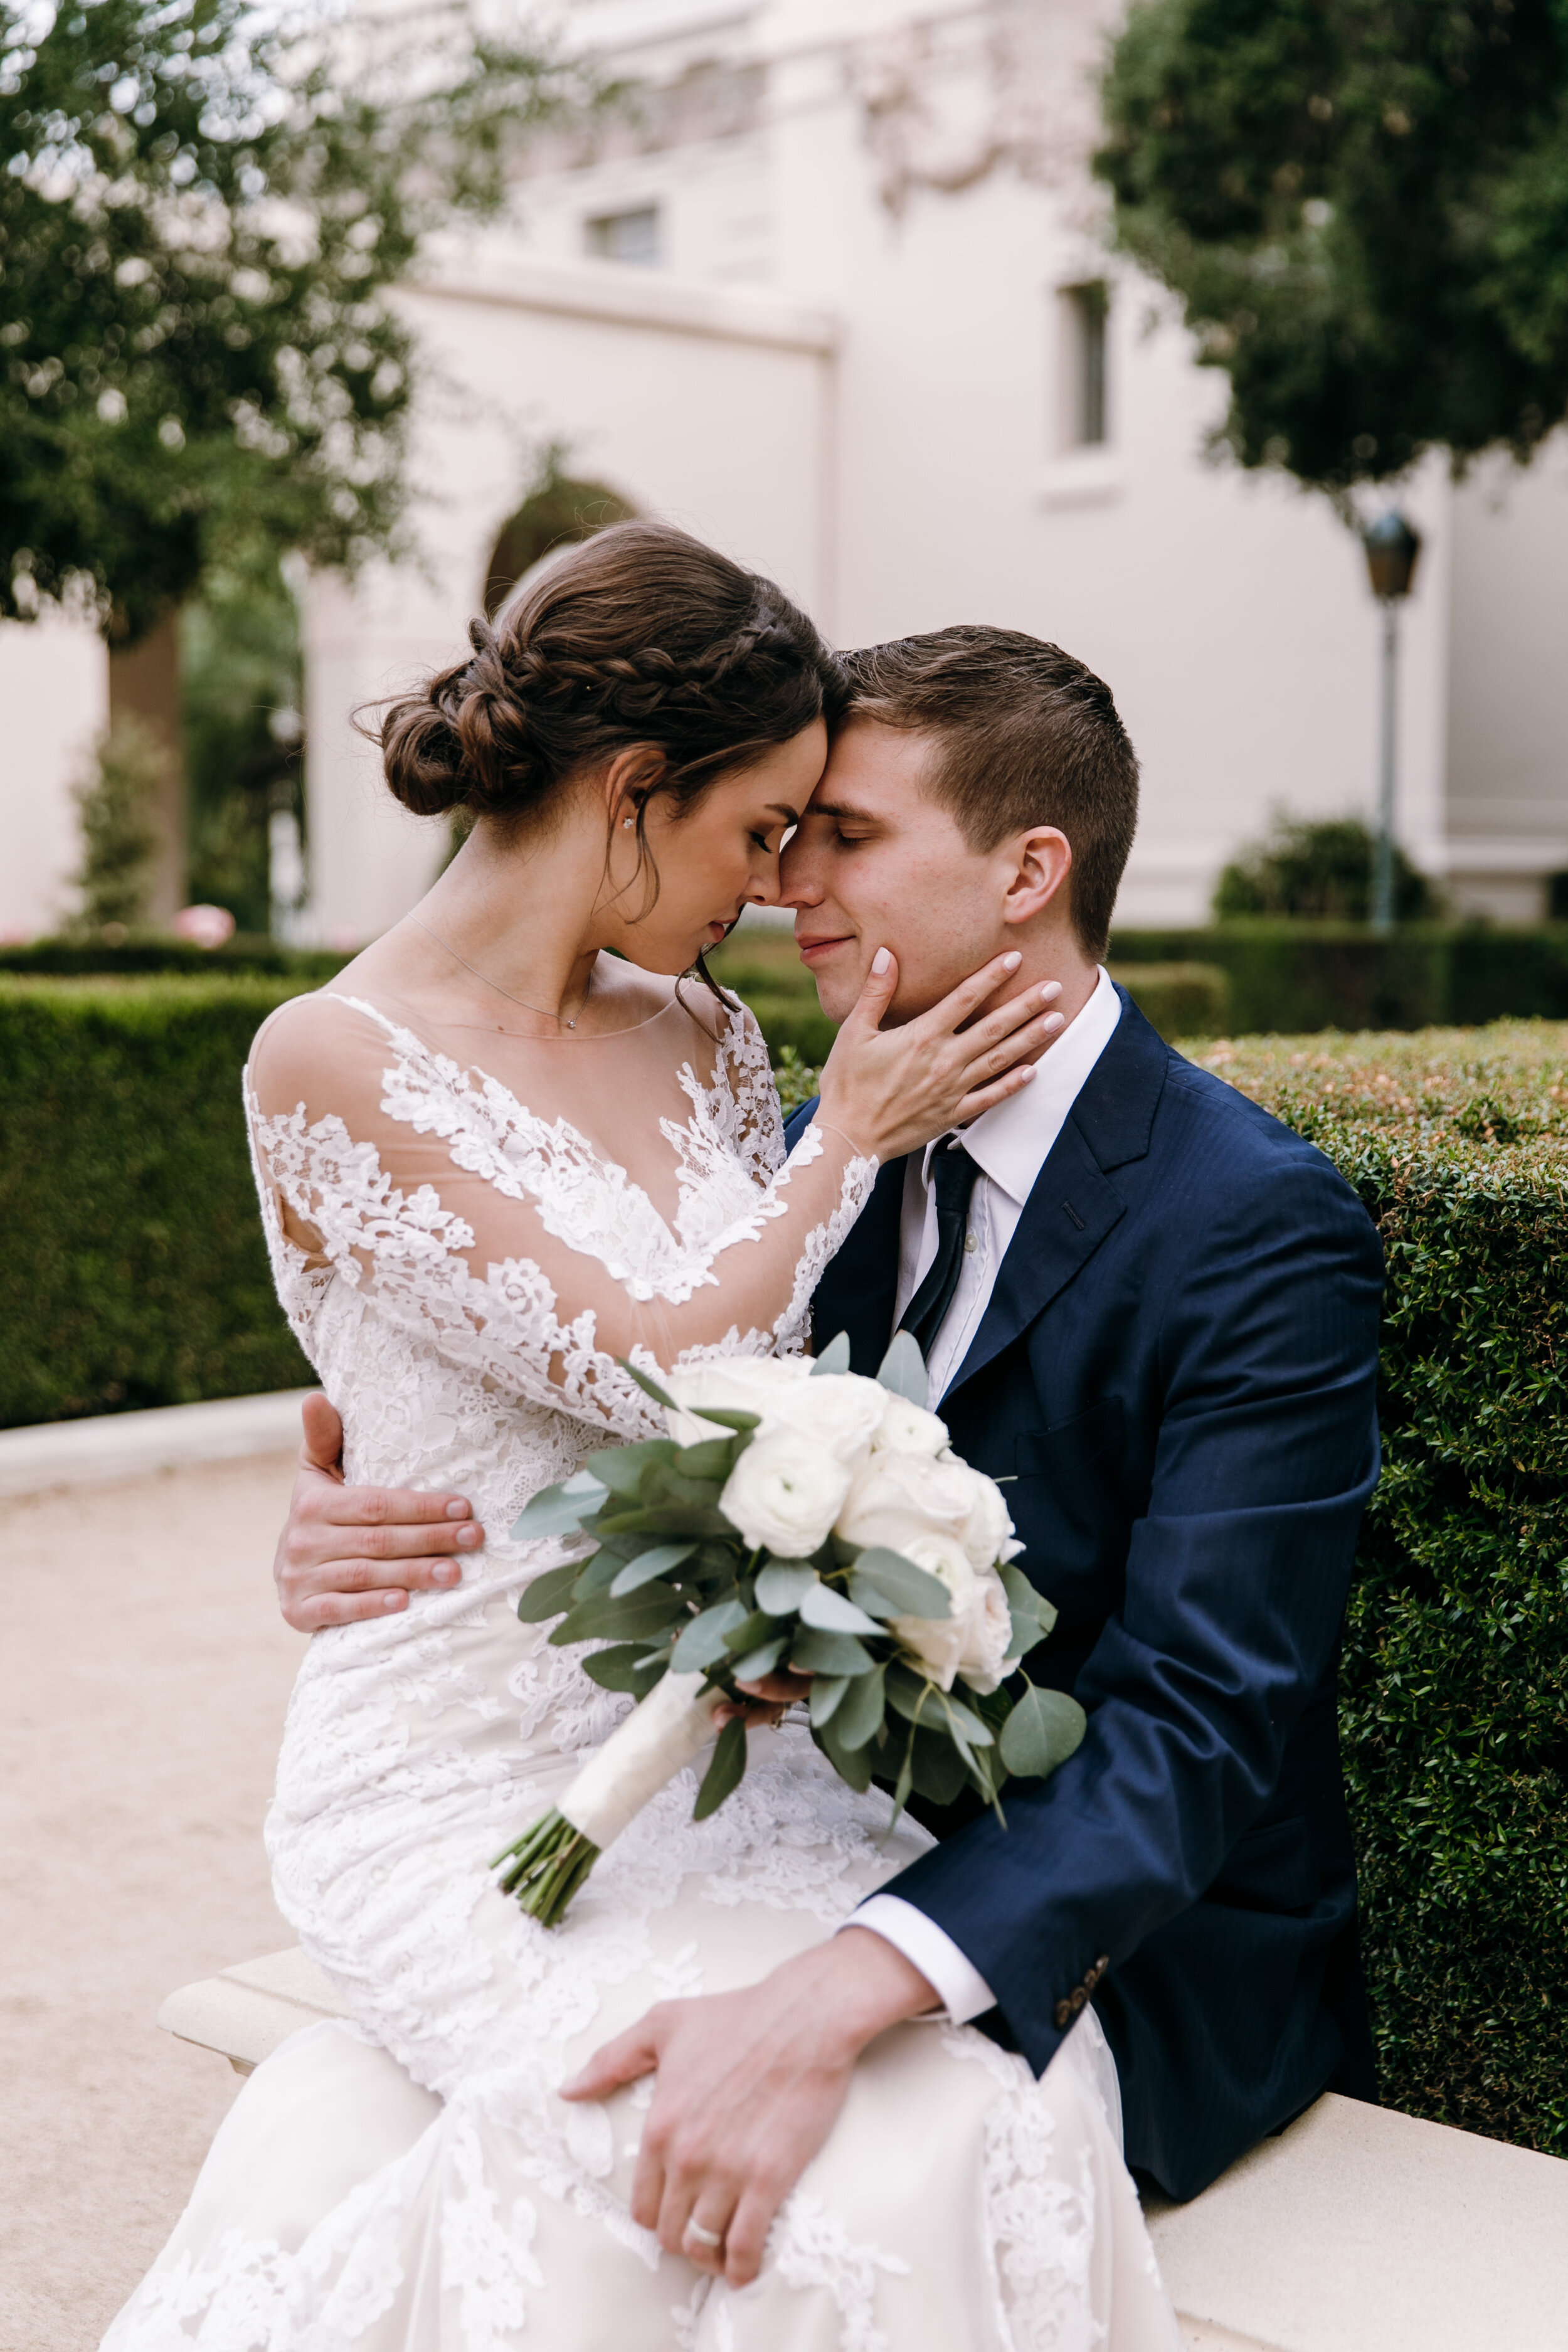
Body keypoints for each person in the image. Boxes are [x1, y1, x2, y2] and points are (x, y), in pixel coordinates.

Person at [103, 529, 1177, 2352]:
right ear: (629, 793)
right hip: (458, 1786)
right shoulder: (329, 1055)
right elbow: (666, 1365)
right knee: (673, 2140)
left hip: (734, 1760)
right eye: (762, 830)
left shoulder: (696, 1030)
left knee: (978, 2094)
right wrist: (849, 1131)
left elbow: (794, 1362)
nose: (774, 890)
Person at [272, 620, 1384, 2227]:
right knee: (473, 2134)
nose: (791, 886)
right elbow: (584, 1382)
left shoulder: (1252, 1223)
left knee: (749, 2185)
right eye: (783, 835)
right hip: (766, 1840)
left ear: (1027, 872)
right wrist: (355, 1494)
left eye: (845, 838)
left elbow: (1199, 1722)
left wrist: (845, 1988)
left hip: (1119, 1944)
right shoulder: (804, 1160)